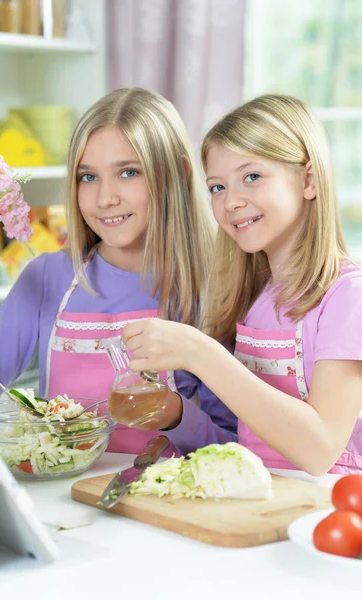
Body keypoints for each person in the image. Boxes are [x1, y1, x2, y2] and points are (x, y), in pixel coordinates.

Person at [0, 87, 237, 456]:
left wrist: (175, 415)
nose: (105, 198)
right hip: (63, 503)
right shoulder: (45, 279)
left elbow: (234, 446)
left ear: (178, 174)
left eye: (128, 172)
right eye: (87, 177)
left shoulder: (216, 288)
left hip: (166, 501)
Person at [122, 94, 362, 475]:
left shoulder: (348, 297)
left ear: (309, 180)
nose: (231, 201)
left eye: (252, 177)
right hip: (260, 503)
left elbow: (320, 451)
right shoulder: (254, 301)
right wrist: (176, 414)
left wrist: (203, 355)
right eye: (217, 187)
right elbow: (243, 444)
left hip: (326, 511)